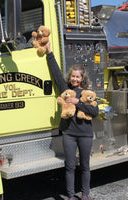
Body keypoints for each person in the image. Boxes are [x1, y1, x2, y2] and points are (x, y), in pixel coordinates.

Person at [45, 41, 99, 200]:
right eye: (73, 76)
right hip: (69, 134)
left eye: (77, 76)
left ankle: (85, 194)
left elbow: (95, 112)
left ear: (82, 78)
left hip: (85, 135)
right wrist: (49, 52)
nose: (74, 79)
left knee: (85, 166)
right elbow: (56, 74)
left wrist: (79, 103)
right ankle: (70, 196)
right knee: (69, 166)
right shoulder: (66, 90)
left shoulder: (87, 93)